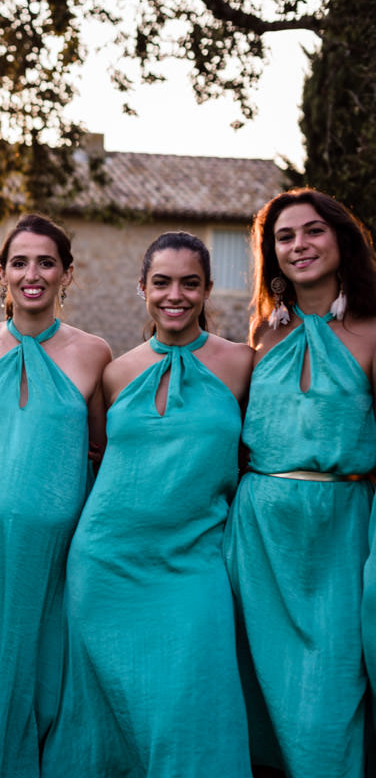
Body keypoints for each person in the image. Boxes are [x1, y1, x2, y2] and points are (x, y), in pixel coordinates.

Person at [41, 232, 253, 776]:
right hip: (106, 564)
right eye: (161, 282)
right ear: (143, 288)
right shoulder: (115, 373)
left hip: (193, 565)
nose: (174, 294)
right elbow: (95, 459)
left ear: (207, 290)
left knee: (194, 707)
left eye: (189, 283)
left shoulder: (242, 365)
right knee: (106, 719)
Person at [0, 214, 111, 778]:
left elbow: (102, 450)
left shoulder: (95, 354)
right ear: (2, 274)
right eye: (19, 262)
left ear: (66, 273)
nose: (31, 273)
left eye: (45, 262)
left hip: (57, 550)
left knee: (45, 667)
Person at [224, 189, 376, 778]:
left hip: (341, 536)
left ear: (341, 239)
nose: (299, 246)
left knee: (329, 700)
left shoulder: (371, 332)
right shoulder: (262, 337)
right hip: (259, 537)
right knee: (256, 697)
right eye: (284, 238)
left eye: (312, 231)